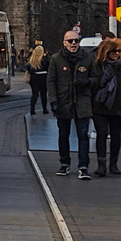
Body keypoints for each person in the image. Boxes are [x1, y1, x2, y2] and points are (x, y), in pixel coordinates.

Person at [47, 29, 97, 179]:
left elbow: (96, 78)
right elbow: (51, 81)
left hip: (82, 102)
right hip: (63, 102)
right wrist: (53, 100)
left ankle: (83, 166)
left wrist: (86, 82)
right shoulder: (56, 59)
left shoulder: (87, 58)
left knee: (83, 135)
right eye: (70, 41)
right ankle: (64, 164)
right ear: (64, 43)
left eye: (76, 40)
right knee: (63, 135)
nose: (74, 43)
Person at [90, 38, 121, 178]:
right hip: (100, 106)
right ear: (105, 52)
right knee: (101, 134)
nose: (117, 54)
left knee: (116, 136)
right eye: (113, 51)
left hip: (118, 106)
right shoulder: (97, 66)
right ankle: (101, 164)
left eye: (118, 51)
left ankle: (113, 164)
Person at [26, 44, 49, 115]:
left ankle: (32, 109)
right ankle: (44, 109)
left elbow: (28, 69)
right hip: (43, 77)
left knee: (34, 94)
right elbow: (49, 68)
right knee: (43, 94)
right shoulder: (45, 60)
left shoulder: (32, 61)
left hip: (34, 78)